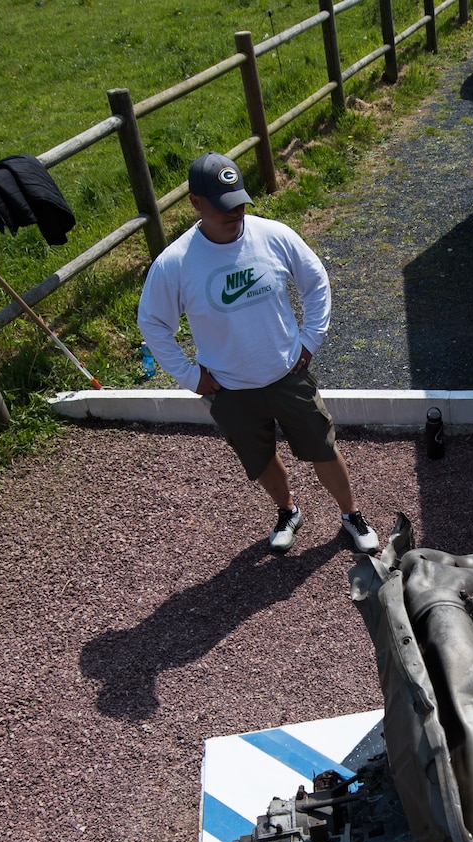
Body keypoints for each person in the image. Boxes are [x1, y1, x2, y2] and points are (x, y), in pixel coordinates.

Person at [136, 153, 380, 557]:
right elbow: (153, 324)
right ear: (196, 203)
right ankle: (287, 512)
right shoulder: (175, 264)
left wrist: (310, 339)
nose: (237, 213)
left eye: (240, 202)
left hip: (288, 374)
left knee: (324, 447)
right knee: (261, 458)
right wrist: (190, 376)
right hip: (231, 390)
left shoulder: (274, 236)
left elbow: (315, 281)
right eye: (224, 206)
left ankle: (351, 514)